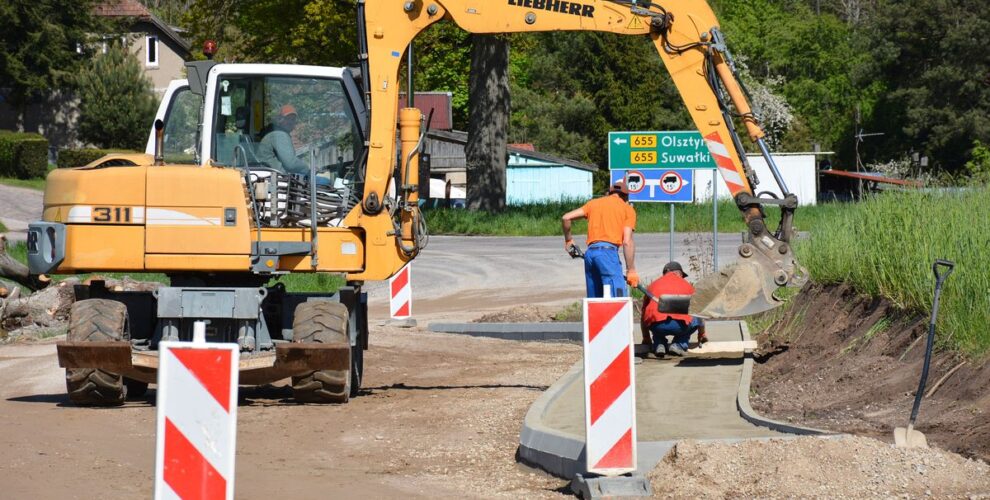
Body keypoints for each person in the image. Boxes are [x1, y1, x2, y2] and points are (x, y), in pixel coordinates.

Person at [561, 180, 638, 298]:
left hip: (590, 255)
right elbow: (627, 242)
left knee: (595, 301)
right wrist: (631, 270)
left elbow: (566, 218)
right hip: (608, 254)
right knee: (616, 299)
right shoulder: (627, 209)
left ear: (609, 193)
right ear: (626, 197)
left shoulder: (593, 204)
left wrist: (569, 241)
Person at [640, 261, 708, 357]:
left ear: (665, 273)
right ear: (679, 273)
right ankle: (678, 344)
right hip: (680, 326)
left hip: (657, 326)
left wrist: (646, 338)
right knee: (696, 317)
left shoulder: (652, 285)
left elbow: (643, 316)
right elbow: (700, 313)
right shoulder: (688, 286)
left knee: (654, 317)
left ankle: (659, 344)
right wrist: (702, 334)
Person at [256, 104, 309, 174]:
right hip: (274, 177)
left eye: (292, 119)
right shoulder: (279, 134)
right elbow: (291, 164)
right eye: (287, 118)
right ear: (279, 119)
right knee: (323, 181)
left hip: (271, 174)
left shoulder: (275, 133)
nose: (290, 122)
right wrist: (307, 168)